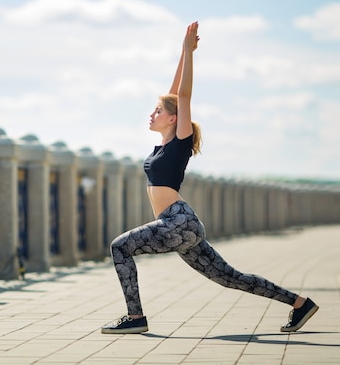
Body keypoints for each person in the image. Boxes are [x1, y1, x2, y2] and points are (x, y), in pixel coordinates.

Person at [101, 22, 318, 335]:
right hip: (180, 224)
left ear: (174, 119)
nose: (152, 113)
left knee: (120, 247)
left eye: (158, 110)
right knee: (230, 277)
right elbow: (174, 94)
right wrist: (181, 51)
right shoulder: (165, 143)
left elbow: (183, 95)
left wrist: (190, 55)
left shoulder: (180, 141)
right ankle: (299, 304)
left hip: (177, 223)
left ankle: (136, 318)